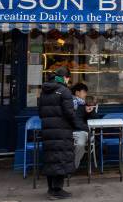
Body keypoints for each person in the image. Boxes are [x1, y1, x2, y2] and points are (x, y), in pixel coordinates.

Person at [38, 67, 79, 200]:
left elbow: (39, 112)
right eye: (68, 78)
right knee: (61, 158)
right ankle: (57, 190)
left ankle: (51, 189)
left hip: (48, 129)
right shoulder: (64, 91)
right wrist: (76, 125)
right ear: (65, 77)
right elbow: (69, 113)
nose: (68, 81)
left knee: (51, 158)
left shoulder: (43, 91)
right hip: (62, 130)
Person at [70, 82, 97, 169]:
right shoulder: (68, 103)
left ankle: (72, 167)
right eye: (84, 92)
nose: (86, 94)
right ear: (77, 93)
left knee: (80, 145)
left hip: (81, 131)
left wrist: (91, 110)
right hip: (68, 130)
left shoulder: (86, 104)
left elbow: (94, 119)